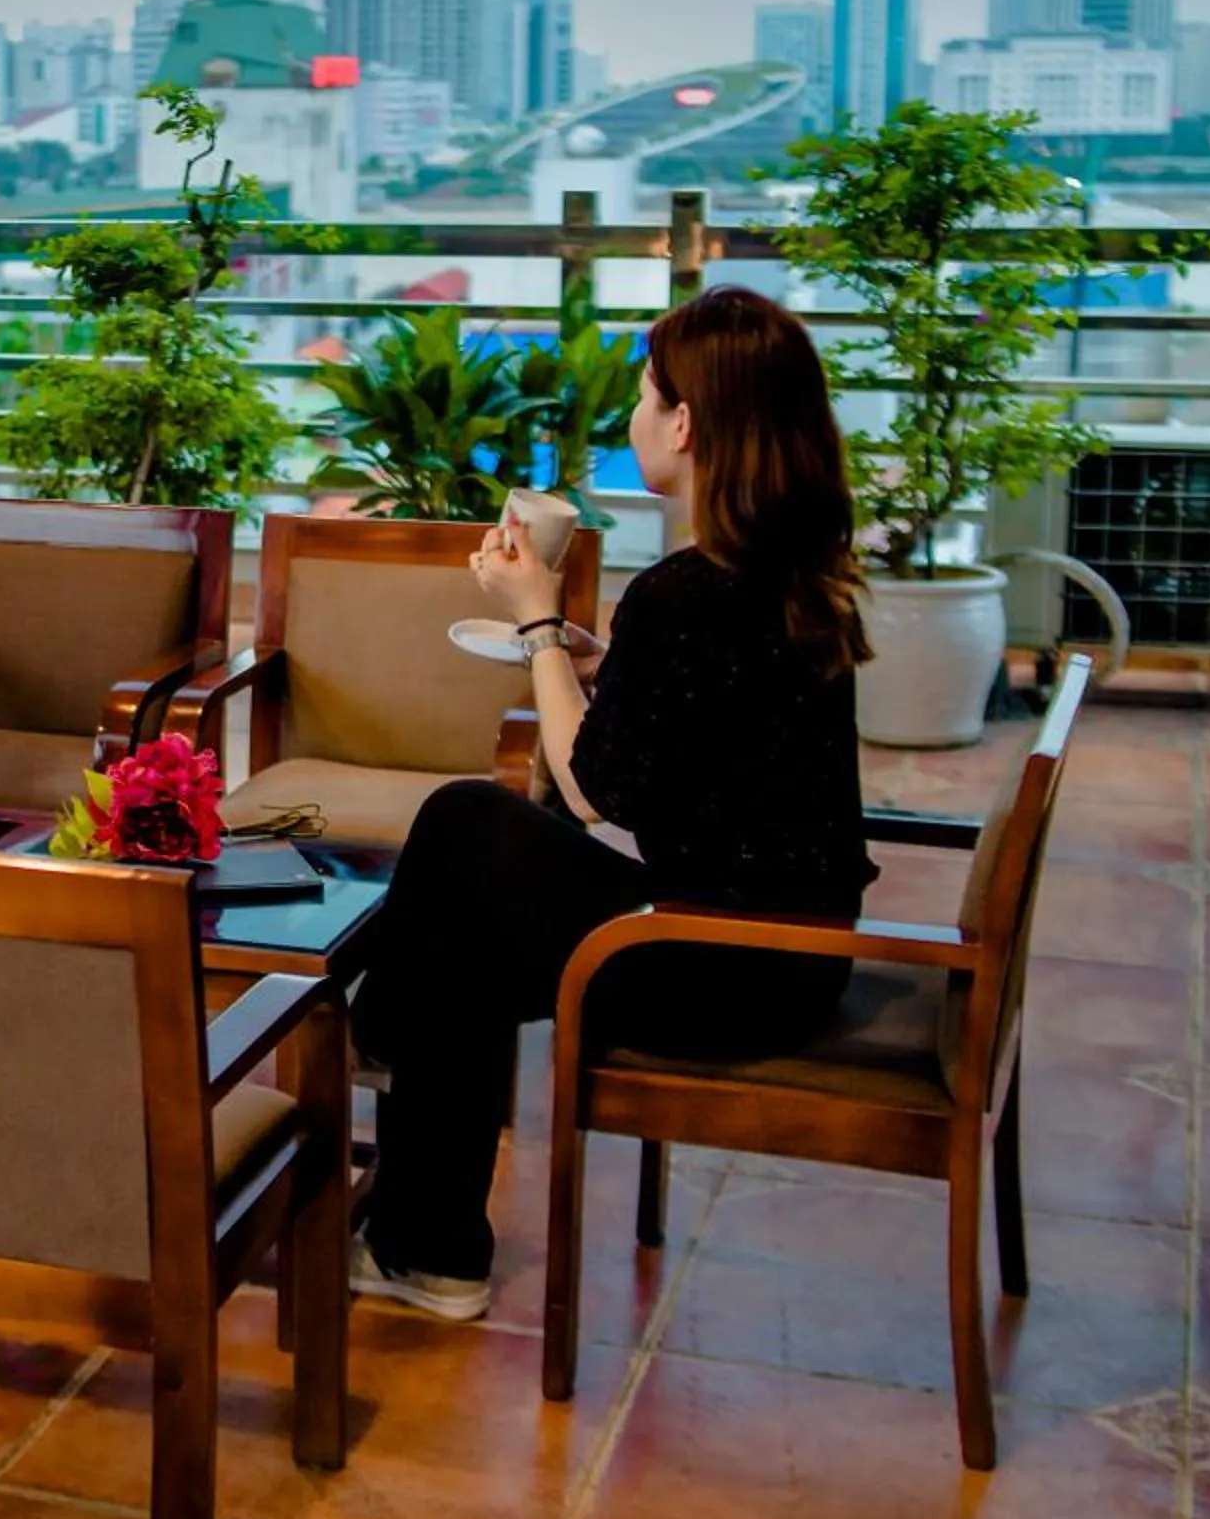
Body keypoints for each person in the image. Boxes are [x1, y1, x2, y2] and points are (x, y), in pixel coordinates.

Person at [350, 284, 879, 1319]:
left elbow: (595, 792)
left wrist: (541, 622)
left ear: (686, 422)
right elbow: (698, 736)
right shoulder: (789, 570)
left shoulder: (690, 589)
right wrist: (611, 661)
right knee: (462, 933)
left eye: (645, 394)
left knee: (465, 823)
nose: (634, 415)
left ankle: (379, 1041)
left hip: (718, 964)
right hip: (794, 950)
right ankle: (426, 1248)